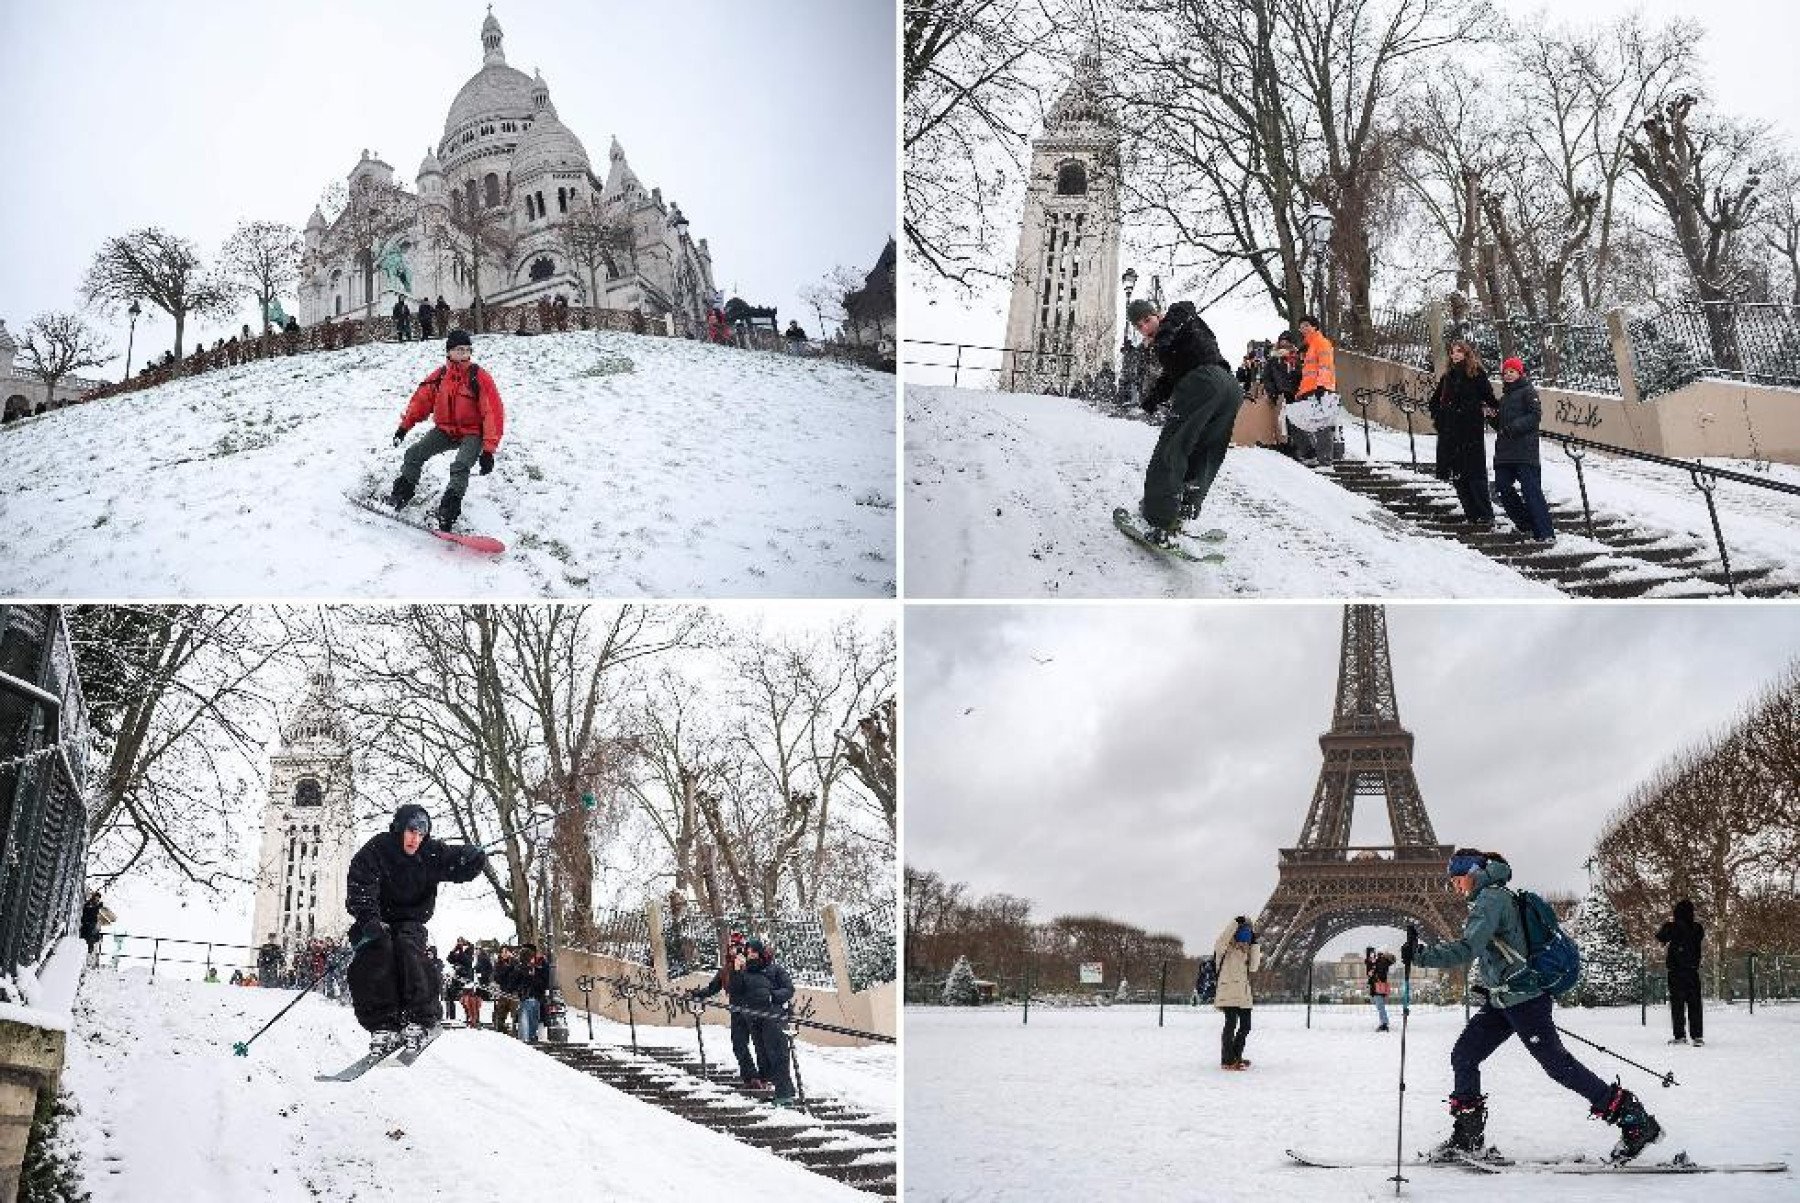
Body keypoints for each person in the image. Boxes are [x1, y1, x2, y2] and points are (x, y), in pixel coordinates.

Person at [1403, 848, 1662, 1163]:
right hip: (1503, 1000)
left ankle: (1635, 1121)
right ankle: (1468, 1136)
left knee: (1559, 1067)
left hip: (1524, 1001)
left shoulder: (1491, 899)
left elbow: (1469, 948)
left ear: (1472, 873)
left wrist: (1420, 955)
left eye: (1458, 880)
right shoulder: (1493, 897)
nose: (1457, 887)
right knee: (1464, 1055)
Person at [344, 804, 486, 1059]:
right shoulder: (378, 849)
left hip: (410, 920)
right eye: (411, 832)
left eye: (421, 834)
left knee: (408, 948)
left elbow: (456, 862)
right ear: (399, 829)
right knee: (376, 952)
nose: (415, 839)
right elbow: (360, 884)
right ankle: (383, 1023)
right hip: (376, 920)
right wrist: (368, 919)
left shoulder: (430, 853)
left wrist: (474, 858)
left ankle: (423, 1017)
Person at [1127, 297, 1240, 545]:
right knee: (1205, 451)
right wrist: (1151, 400)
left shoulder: (1177, 319)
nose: (1145, 328)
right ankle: (1183, 510)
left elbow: (1184, 307)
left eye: (1147, 320)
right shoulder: (1172, 343)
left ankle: (1158, 518)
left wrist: (1164, 335)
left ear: (1157, 314)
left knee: (1172, 448)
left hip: (1205, 382)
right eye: (1139, 326)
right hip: (1229, 388)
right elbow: (1171, 376)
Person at [386, 329, 506, 531]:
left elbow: (492, 412)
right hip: (445, 430)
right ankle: (400, 495)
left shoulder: (479, 377)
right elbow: (420, 402)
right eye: (460, 350)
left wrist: (488, 450)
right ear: (449, 352)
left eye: (468, 350)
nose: (464, 354)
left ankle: (448, 512)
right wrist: (403, 428)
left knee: (460, 465)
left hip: (472, 432)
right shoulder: (440, 376)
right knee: (414, 454)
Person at [690, 932, 769, 1089]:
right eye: (733, 947)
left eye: (739, 947)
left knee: (760, 1045)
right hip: (737, 1012)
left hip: (753, 1011)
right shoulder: (726, 969)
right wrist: (698, 994)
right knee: (739, 1044)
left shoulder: (752, 965)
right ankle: (750, 1076)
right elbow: (713, 987)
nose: (736, 951)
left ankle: (765, 1077)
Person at [1428, 340, 1496, 525]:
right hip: (1451, 433)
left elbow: (1490, 399)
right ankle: (1472, 515)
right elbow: (1434, 403)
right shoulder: (1447, 377)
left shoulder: (1477, 374)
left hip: (1471, 431)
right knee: (1458, 476)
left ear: (1467, 354)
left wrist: (1481, 411)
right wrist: (1441, 418)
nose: (1456, 354)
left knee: (1475, 475)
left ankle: (1485, 514)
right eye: (1453, 351)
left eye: (1460, 351)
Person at [1491, 357, 1554, 544]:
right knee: (1502, 486)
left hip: (1525, 452)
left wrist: (1513, 427)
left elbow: (1535, 416)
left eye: (1512, 371)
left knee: (1531, 491)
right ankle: (1526, 523)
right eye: (1506, 372)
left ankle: (1545, 532)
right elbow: (1501, 426)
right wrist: (1491, 417)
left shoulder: (1528, 392)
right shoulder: (1503, 399)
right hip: (1504, 453)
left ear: (1520, 373)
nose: (1508, 374)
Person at [741, 938, 798, 1106]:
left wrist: (773, 996)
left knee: (778, 1054)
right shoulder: (745, 973)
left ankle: (785, 1096)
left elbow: (789, 989)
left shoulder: (775, 969)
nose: (750, 954)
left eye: (753, 951)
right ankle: (783, 1090)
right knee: (764, 1056)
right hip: (755, 1018)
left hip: (774, 1017)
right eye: (748, 951)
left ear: (760, 952)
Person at [1287, 314, 1340, 466]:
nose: (1302, 329)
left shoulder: (1322, 343)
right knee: (1294, 419)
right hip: (1307, 391)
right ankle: (1310, 455)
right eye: (1301, 326)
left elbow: (1325, 366)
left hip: (1319, 390)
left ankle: (1325, 462)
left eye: (1306, 325)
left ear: (1315, 327)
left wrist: (1322, 387)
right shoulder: (1308, 347)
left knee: (1322, 424)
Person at [1213, 915, 1260, 1070]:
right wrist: (1234, 923)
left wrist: (1254, 944)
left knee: (1246, 1026)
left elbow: (1253, 967)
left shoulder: (1246, 951)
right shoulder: (1224, 949)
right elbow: (1221, 940)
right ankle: (1227, 1060)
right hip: (1228, 992)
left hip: (1244, 995)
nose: (1245, 935)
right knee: (1231, 1025)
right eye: (1244, 932)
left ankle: (1237, 1055)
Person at [1656, 899, 1704, 1046]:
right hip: (1692, 972)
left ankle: (1680, 1035)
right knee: (1695, 1004)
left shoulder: (1672, 927)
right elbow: (1698, 938)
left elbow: (1660, 937)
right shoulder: (1698, 928)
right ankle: (1697, 1036)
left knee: (1677, 1005)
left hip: (1676, 972)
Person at [1261, 333, 1301, 452]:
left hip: (1296, 393)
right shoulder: (1273, 359)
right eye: (1282, 341)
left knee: (1295, 420)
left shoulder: (1297, 357)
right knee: (1282, 419)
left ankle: (1296, 444)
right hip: (1280, 393)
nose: (1284, 344)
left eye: (1286, 341)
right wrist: (1272, 391)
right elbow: (1267, 377)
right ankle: (1284, 442)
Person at [518, 945, 549, 1043]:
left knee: (534, 1017)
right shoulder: (522, 966)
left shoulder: (541, 963)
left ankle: (531, 1037)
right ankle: (528, 1037)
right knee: (528, 1017)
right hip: (526, 996)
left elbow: (544, 981)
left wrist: (533, 974)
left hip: (537, 996)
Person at [491, 945, 521, 1034]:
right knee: (500, 1012)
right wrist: (508, 968)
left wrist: (512, 965)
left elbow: (517, 975)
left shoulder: (516, 963)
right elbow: (498, 977)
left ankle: (516, 1031)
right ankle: (500, 1030)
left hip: (514, 991)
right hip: (503, 991)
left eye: (506, 951)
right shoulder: (498, 964)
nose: (504, 954)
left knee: (515, 1013)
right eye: (502, 952)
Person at [1366, 946, 1395, 1032]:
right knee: (1380, 1006)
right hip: (1379, 987)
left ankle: (1384, 1023)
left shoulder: (1381, 962)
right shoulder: (1383, 962)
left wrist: (1373, 974)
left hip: (1377, 987)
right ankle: (1384, 1022)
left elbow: (1379, 974)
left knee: (1380, 1006)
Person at [80, 890, 107, 968]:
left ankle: (89, 958)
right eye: (96, 898)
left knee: (94, 940)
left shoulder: (96, 905)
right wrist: (97, 907)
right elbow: (89, 912)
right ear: (93, 897)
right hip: (86, 926)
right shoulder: (88, 904)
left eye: (98, 899)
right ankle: (87, 956)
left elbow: (96, 914)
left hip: (92, 926)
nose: (97, 900)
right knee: (88, 941)